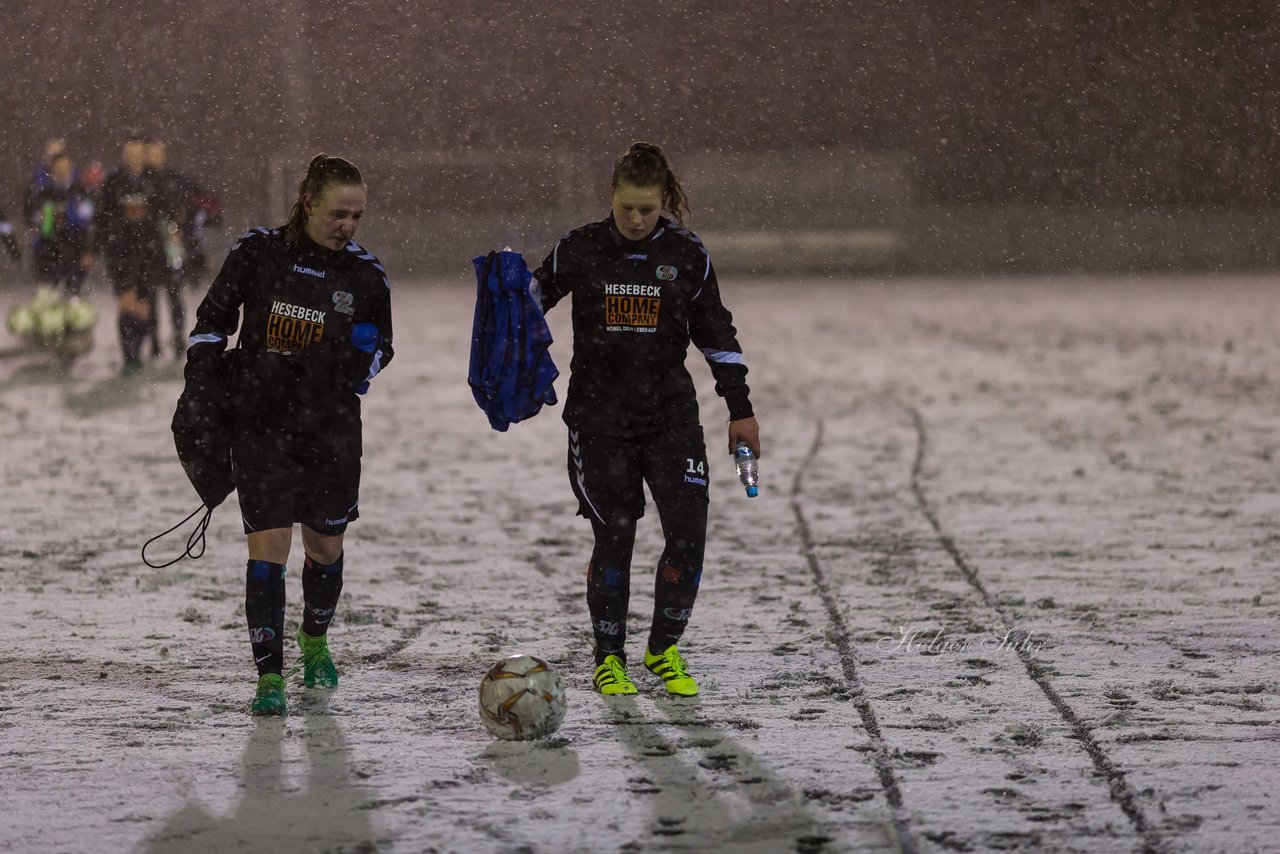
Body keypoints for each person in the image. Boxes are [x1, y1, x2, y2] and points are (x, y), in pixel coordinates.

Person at [529, 141, 761, 697]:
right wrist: (505, 332)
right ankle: (609, 658)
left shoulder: (686, 253)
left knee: (689, 536)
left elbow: (717, 335)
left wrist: (741, 410)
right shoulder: (579, 248)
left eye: (647, 209)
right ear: (611, 198)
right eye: (626, 207)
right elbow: (531, 301)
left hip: (671, 418)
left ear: (664, 203)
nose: (635, 219)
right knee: (616, 534)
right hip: (597, 421)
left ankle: (663, 651)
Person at [175, 153, 393, 716]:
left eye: (357, 216)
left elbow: (383, 349)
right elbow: (211, 324)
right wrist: (199, 388)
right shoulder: (257, 252)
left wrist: (363, 360)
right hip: (261, 426)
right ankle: (268, 678)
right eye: (337, 214)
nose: (347, 226)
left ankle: (314, 638)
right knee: (267, 548)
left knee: (325, 547)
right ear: (307, 203)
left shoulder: (366, 274)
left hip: (331, 431)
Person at [90, 133, 167, 375]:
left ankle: (140, 346)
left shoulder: (154, 180)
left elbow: (165, 210)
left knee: (144, 308)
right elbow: (101, 217)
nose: (134, 159)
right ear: (124, 157)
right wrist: (95, 247)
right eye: (129, 155)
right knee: (126, 303)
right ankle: (129, 357)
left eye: (138, 154)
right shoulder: (114, 181)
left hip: (148, 250)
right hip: (120, 250)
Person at [24, 150, 94, 296]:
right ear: (52, 168)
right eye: (59, 165)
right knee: (48, 295)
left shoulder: (79, 191)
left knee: (73, 295)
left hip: (75, 247)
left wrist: (88, 248)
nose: (63, 169)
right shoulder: (43, 192)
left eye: (66, 165)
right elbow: (36, 222)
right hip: (48, 249)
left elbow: (87, 220)